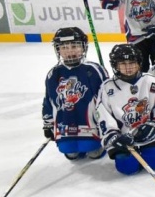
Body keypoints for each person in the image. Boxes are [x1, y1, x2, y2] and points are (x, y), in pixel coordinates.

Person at [96, 44, 155, 175]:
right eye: (123, 63)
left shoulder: (150, 80)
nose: (128, 67)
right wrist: (114, 137)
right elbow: (103, 114)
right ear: (115, 65)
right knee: (126, 167)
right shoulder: (107, 88)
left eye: (132, 62)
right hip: (122, 136)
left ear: (139, 63)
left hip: (149, 130)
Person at [42, 27, 108, 160]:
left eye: (75, 46)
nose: (70, 51)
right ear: (58, 49)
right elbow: (49, 101)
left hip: (91, 125)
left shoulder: (94, 70)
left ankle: (95, 144)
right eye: (64, 47)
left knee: (93, 151)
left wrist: (109, 124)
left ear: (84, 47)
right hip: (65, 125)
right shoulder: (53, 74)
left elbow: (107, 99)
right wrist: (48, 123)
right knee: (69, 152)